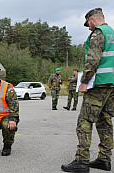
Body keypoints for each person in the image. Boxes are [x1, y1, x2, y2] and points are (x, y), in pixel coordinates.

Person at [61, 8, 114, 172]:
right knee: (105, 121)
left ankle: (82, 161)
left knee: (84, 121)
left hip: (97, 85)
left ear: (92, 20)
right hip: (111, 85)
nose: (89, 28)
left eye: (88, 25)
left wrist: (84, 81)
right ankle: (104, 160)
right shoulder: (111, 32)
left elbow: (93, 59)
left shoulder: (98, 33)